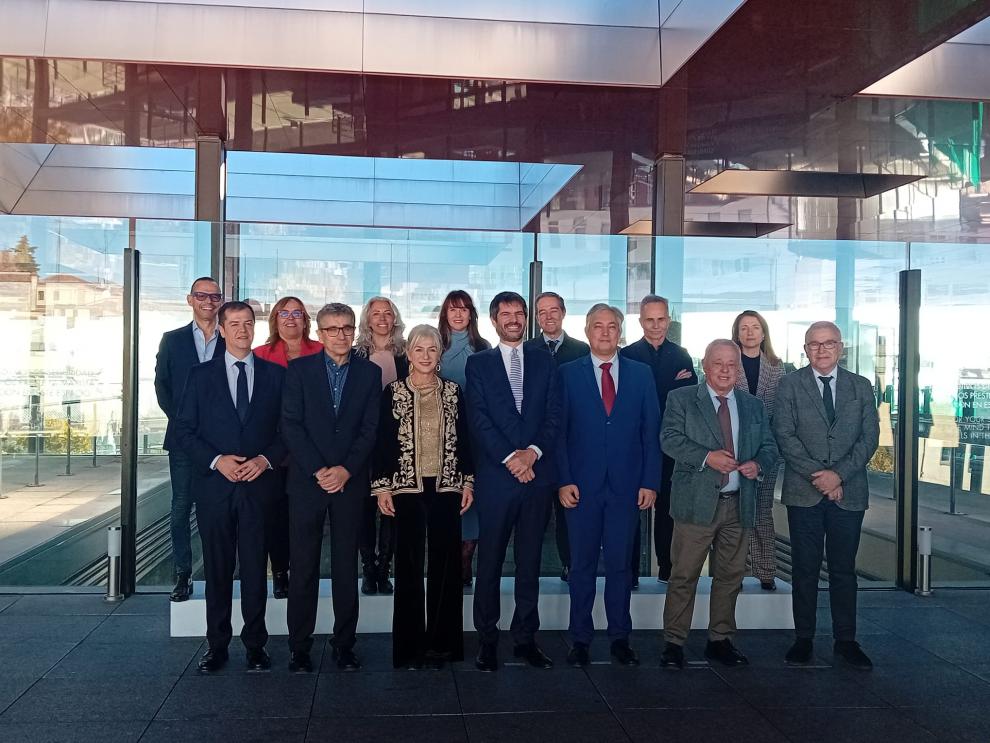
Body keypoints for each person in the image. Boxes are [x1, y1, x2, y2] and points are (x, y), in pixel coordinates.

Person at [173, 301, 286, 673]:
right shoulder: (199, 376)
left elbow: (288, 431)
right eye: (234, 324)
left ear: (255, 327)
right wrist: (216, 460)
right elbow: (183, 431)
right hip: (215, 488)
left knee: (255, 570)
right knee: (218, 570)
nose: (242, 330)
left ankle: (256, 646)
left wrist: (265, 460)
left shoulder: (275, 375)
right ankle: (216, 646)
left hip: (259, 486)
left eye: (248, 323)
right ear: (221, 329)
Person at [658, 340, 779, 669]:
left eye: (731, 364)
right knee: (684, 576)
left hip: (738, 504)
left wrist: (759, 464)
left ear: (738, 368)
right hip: (695, 505)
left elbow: (770, 446)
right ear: (705, 365)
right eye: (718, 363)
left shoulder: (752, 405)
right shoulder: (682, 398)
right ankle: (674, 643)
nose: (725, 370)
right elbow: (669, 439)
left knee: (730, 576)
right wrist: (706, 457)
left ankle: (720, 640)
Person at [281, 302, 382, 672]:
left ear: (354, 331)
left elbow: (370, 428)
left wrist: (346, 470)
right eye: (332, 329)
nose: (340, 335)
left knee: (345, 568)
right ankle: (299, 647)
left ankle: (344, 645)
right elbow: (291, 425)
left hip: (349, 484)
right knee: (303, 567)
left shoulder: (370, 373)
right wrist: (320, 470)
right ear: (319, 334)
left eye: (346, 328)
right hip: (308, 483)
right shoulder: (299, 370)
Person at [557, 304, 659, 667]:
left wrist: (650, 481)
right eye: (597, 326)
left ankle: (620, 639)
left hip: (626, 487)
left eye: (611, 326)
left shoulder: (641, 374)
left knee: (620, 566)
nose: (604, 332)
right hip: (580, 487)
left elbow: (651, 432)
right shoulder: (567, 374)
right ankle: (579, 639)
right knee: (581, 566)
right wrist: (563, 479)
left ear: (620, 332)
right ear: (587, 332)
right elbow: (559, 433)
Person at [774, 321, 879, 671]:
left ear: (841, 347)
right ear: (805, 349)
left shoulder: (861, 386)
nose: (822, 350)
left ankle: (846, 640)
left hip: (849, 492)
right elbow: (784, 435)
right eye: (814, 344)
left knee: (843, 570)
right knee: (804, 568)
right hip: (804, 491)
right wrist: (821, 477)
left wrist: (838, 475)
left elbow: (869, 438)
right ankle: (803, 639)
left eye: (829, 343)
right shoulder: (789, 385)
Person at [465, 291, 561, 672]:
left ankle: (525, 639)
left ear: (527, 318)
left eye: (519, 313)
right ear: (494, 321)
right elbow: (478, 419)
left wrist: (532, 454)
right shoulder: (479, 364)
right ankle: (487, 640)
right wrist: (511, 459)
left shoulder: (544, 360)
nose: (514, 320)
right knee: (489, 562)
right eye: (506, 314)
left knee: (530, 561)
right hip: (497, 478)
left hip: (536, 477)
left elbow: (554, 415)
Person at [372, 325, 474, 669]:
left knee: (447, 566)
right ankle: (410, 648)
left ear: (440, 353)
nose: (426, 356)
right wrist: (382, 486)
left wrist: (468, 483)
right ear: (409, 354)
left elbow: (465, 440)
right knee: (409, 565)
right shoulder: (393, 392)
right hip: (406, 488)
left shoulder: (453, 392)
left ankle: (444, 645)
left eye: (432, 349)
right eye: (419, 349)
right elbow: (382, 442)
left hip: (447, 486)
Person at [155, 277, 226, 602]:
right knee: (182, 505)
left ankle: (220, 572)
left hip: (223, 441)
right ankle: (182, 574)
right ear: (190, 299)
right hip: (183, 440)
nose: (208, 301)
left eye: (214, 296)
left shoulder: (230, 338)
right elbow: (162, 387)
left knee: (220, 507)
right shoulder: (173, 340)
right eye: (201, 295)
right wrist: (185, 425)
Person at [620, 295, 696, 585]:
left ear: (668, 320)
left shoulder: (682, 356)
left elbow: (689, 403)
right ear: (640, 321)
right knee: (630, 509)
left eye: (661, 319)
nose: (655, 325)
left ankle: (667, 569)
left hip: (671, 445)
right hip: (634, 444)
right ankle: (629, 573)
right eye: (649, 319)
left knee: (668, 509)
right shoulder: (626, 356)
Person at [253, 296, 324, 600]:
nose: (291, 318)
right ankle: (280, 571)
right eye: (284, 313)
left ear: (306, 320)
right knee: (276, 516)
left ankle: (306, 573)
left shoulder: (321, 351)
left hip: (312, 450)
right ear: (275, 320)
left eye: (297, 313)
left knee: (307, 518)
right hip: (273, 451)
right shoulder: (260, 355)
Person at [523, 291, 590, 582]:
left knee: (569, 510)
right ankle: (529, 569)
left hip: (571, 441)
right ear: (536, 317)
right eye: (542, 312)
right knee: (534, 515)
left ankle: (570, 565)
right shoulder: (526, 349)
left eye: (553, 311)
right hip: (534, 443)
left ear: (563, 313)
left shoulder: (582, 349)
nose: (548, 316)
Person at [354, 296, 409, 596]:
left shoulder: (406, 353)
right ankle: (368, 568)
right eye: (376, 313)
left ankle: (385, 568)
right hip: (363, 439)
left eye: (388, 313)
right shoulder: (355, 354)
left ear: (394, 318)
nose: (383, 318)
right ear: (368, 319)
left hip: (397, 440)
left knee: (392, 506)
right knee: (364, 505)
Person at [437, 290, 492, 587]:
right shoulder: (434, 346)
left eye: (464, 309)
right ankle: (446, 561)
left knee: (472, 501)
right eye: (452, 309)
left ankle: (466, 561)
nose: (458, 314)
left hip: (474, 434)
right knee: (445, 499)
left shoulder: (483, 348)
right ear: (444, 314)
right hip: (438, 437)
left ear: (471, 314)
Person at [732, 310, 786, 591]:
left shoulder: (777, 367)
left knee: (762, 511)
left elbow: (782, 412)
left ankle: (766, 571)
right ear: (737, 333)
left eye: (755, 327)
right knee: (735, 512)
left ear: (764, 333)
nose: (750, 332)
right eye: (744, 328)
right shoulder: (728, 362)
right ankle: (736, 572)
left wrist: (770, 448)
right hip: (734, 449)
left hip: (766, 449)